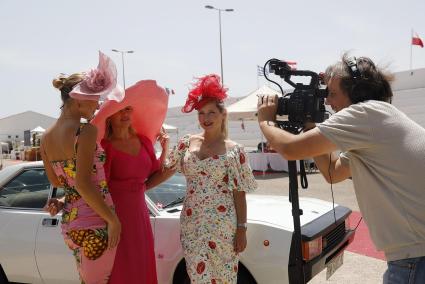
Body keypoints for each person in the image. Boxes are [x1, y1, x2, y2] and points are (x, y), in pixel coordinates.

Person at [257, 54, 425, 283]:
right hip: (414, 255)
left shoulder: (365, 114)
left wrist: (265, 120)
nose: (327, 101)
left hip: (415, 259)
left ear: (356, 92)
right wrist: (309, 124)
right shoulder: (377, 118)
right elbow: (333, 172)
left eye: (332, 93)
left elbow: (290, 149)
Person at [148, 74, 257, 283]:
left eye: (211, 113)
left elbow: (239, 193)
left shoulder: (235, 151)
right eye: (201, 113)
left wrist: (242, 229)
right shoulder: (187, 143)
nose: (206, 118)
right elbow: (167, 171)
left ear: (223, 114)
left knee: (224, 277)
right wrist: (141, 188)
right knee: (197, 276)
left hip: (223, 226)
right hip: (192, 223)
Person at [41, 51, 123, 284]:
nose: (99, 104)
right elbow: (83, 184)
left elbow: (58, 182)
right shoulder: (85, 131)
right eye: (95, 98)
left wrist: (61, 202)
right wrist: (113, 220)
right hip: (96, 223)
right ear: (78, 99)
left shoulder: (46, 137)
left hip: (70, 226)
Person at [91, 80, 169, 284]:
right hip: (117, 214)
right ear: (110, 116)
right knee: (122, 266)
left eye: (128, 109)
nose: (125, 114)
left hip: (140, 212)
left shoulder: (144, 141)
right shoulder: (106, 147)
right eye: (120, 110)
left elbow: (155, 172)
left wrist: (166, 147)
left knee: (142, 261)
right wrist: (110, 221)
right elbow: (100, 187)